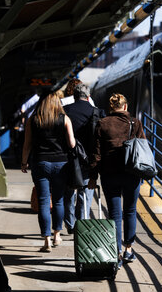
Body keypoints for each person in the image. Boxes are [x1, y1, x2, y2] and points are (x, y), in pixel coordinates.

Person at [88, 93, 145, 267]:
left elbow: (96, 154)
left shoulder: (102, 124)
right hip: (132, 174)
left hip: (109, 174)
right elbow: (143, 147)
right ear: (125, 106)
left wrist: (92, 177)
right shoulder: (135, 123)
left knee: (114, 214)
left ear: (111, 108)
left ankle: (116, 252)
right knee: (130, 210)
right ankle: (128, 249)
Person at [21, 91, 75, 252]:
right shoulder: (64, 119)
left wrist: (24, 162)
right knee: (58, 200)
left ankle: (46, 241)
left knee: (44, 202)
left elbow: (27, 144)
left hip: (40, 162)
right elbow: (72, 143)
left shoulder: (33, 120)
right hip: (61, 163)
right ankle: (57, 235)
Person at [63, 82, 105, 234]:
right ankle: (82, 226)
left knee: (67, 194)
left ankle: (70, 223)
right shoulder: (96, 112)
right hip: (89, 159)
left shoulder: (65, 111)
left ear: (74, 96)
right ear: (88, 97)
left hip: (68, 159)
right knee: (84, 195)